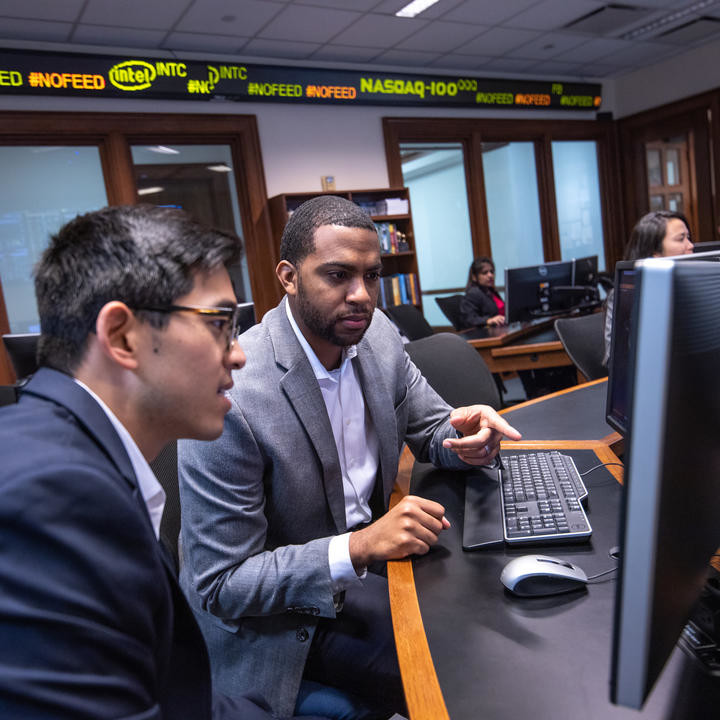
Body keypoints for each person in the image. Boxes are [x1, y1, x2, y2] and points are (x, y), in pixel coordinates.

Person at [178, 195, 522, 720]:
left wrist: (466, 438)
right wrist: (358, 547)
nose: (361, 296)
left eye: (371, 275)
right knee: (464, 672)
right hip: (285, 620)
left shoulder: (378, 336)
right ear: (289, 277)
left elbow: (431, 428)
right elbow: (222, 584)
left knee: (497, 626)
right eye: (338, 275)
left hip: (373, 568)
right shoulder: (233, 397)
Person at [0, 205, 324, 720]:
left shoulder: (75, 457)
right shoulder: (52, 495)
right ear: (123, 337)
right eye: (220, 323)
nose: (238, 354)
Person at [603, 210, 693, 365]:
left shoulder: (694, 287)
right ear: (655, 252)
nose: (690, 245)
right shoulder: (627, 294)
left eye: (688, 238)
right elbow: (618, 359)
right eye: (681, 239)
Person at [458, 256, 506, 329]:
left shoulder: (491, 291)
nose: (490, 275)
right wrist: (488, 320)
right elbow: (469, 319)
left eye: (492, 272)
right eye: (485, 273)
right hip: (489, 333)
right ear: (474, 277)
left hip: (503, 328)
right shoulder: (473, 293)